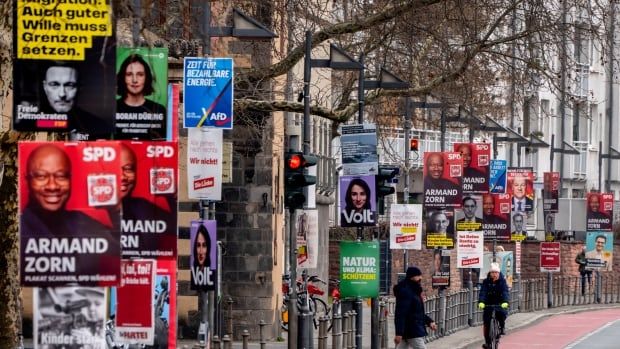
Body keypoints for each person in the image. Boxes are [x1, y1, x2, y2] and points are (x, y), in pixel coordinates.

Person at [41, 62, 112, 140]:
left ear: (79, 88)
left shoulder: (98, 126)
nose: (62, 94)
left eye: (70, 85)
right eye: (54, 84)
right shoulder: (29, 123)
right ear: (45, 87)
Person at [116, 54, 166, 139]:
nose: (134, 80)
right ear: (122, 78)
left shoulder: (159, 110)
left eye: (140, 74)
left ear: (147, 78)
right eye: (129, 74)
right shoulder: (112, 109)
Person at [393, 266, 437, 349]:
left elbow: (417, 312)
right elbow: (400, 313)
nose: (420, 278)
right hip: (412, 329)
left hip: (410, 330)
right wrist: (399, 333)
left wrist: (429, 322)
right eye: (418, 275)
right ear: (412, 276)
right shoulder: (406, 291)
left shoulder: (414, 290)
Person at [478, 262, 510, 349]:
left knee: (502, 314)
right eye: (493, 273)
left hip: (500, 303)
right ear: (490, 273)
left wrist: (505, 302)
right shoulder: (486, 282)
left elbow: (505, 292)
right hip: (488, 304)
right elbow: (483, 292)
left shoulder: (502, 282)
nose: (494, 274)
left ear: (499, 273)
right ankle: (487, 343)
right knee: (486, 323)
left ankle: (502, 327)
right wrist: (481, 302)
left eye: (496, 273)